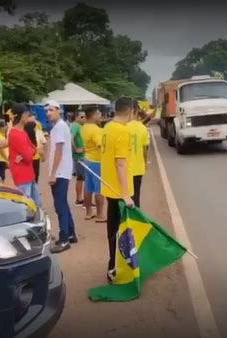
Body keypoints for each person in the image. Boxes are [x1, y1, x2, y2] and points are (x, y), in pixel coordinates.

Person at [101, 97, 135, 282]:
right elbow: (120, 163)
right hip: (119, 191)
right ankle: (114, 268)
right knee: (119, 232)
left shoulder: (108, 127)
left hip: (109, 187)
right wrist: (126, 194)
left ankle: (115, 265)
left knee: (113, 229)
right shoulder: (122, 131)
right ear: (130, 111)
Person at [46, 100, 77, 253]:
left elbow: (58, 151)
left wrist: (53, 174)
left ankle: (64, 238)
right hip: (62, 171)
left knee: (59, 206)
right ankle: (71, 234)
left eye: (51, 110)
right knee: (62, 204)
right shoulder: (60, 127)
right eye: (47, 110)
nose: (48, 113)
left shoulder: (59, 127)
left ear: (59, 111)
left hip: (60, 172)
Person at [8, 104, 42, 208]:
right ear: (22, 116)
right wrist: (29, 152)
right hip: (22, 176)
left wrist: (28, 152)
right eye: (27, 115)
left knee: (37, 205)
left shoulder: (21, 132)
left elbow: (32, 148)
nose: (28, 117)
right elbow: (28, 155)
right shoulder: (16, 134)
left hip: (28, 174)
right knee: (26, 206)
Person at [81, 106, 106, 222]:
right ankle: (100, 214)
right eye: (99, 113)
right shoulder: (95, 129)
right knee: (99, 189)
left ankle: (88, 212)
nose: (100, 116)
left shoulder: (84, 127)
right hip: (97, 161)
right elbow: (101, 145)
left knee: (88, 187)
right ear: (94, 115)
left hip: (87, 159)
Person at [128, 102, 150, 208]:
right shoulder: (142, 128)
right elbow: (144, 149)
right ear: (136, 112)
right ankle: (136, 220)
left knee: (124, 196)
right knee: (136, 195)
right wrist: (145, 163)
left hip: (123, 168)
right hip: (137, 168)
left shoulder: (121, 126)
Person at [70, 111, 86, 206]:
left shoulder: (78, 126)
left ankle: (80, 198)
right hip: (80, 157)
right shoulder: (76, 126)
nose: (84, 118)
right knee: (84, 178)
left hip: (81, 156)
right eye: (82, 117)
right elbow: (71, 137)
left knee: (80, 178)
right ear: (76, 117)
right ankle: (82, 199)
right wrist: (76, 149)